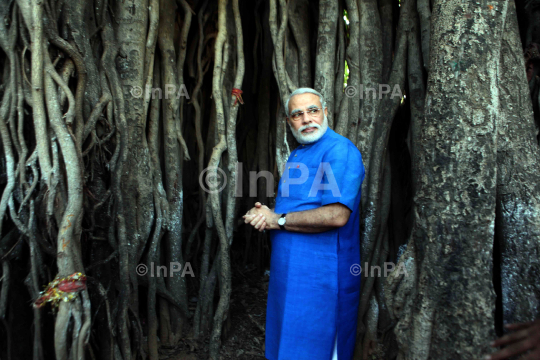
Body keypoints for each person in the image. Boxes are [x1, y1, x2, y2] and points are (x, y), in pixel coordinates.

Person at [243, 88, 365, 360]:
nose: (307, 119)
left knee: (317, 349)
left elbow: (336, 215)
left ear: (325, 113)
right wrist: (267, 215)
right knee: (286, 345)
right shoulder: (298, 154)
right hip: (289, 275)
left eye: (313, 110)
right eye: (297, 114)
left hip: (322, 278)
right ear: (289, 121)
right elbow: (298, 208)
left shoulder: (339, 150)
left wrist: (279, 220)